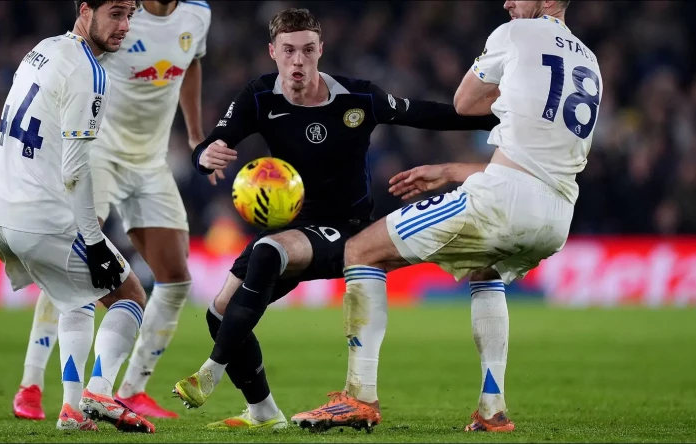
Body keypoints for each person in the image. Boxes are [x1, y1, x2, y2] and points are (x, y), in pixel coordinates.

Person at [170, 7, 499, 430]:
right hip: (292, 226)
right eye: (288, 50)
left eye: (307, 50)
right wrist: (203, 157)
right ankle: (264, 413)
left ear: (321, 50)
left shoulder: (357, 97)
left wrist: (504, 118)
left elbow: (426, 114)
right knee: (219, 313)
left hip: (348, 229)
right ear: (272, 52)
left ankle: (209, 373)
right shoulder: (259, 96)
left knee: (268, 252)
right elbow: (213, 143)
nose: (298, 60)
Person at [292, 0, 601, 433]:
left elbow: (464, 103)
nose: (507, 3)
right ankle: (492, 410)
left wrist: (504, 91)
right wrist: (452, 171)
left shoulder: (515, 33)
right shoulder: (589, 62)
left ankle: (358, 397)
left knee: (361, 250)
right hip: (556, 215)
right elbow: (536, 162)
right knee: (486, 268)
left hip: (503, 199)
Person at [11, 0, 211, 421]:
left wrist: (195, 135)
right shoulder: (121, 16)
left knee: (176, 278)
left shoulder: (198, 14)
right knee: (74, 262)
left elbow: (192, 63)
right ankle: (31, 382)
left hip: (151, 162)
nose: (124, 21)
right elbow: (76, 66)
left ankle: (132, 389)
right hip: (98, 153)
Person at [0, 0, 155, 433]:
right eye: (115, 13)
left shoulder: (42, 49)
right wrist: (93, 241)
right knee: (131, 296)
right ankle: (99, 392)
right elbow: (75, 169)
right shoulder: (88, 71)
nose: (125, 25)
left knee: (75, 298)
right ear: (85, 10)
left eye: (130, 15)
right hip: (39, 217)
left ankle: (72, 410)